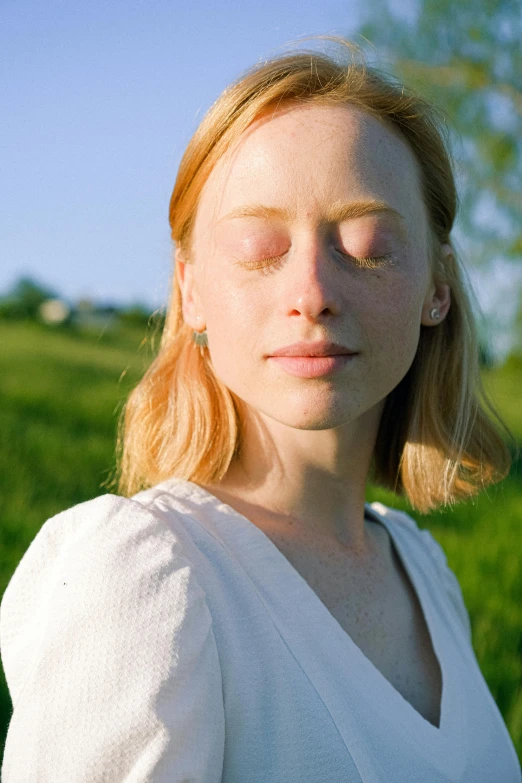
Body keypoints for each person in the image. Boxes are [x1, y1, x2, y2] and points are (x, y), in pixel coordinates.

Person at [1, 39, 520, 782]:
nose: (310, 291)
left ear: (437, 285)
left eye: (368, 243)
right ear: (192, 290)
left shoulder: (426, 571)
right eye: (258, 247)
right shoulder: (145, 575)